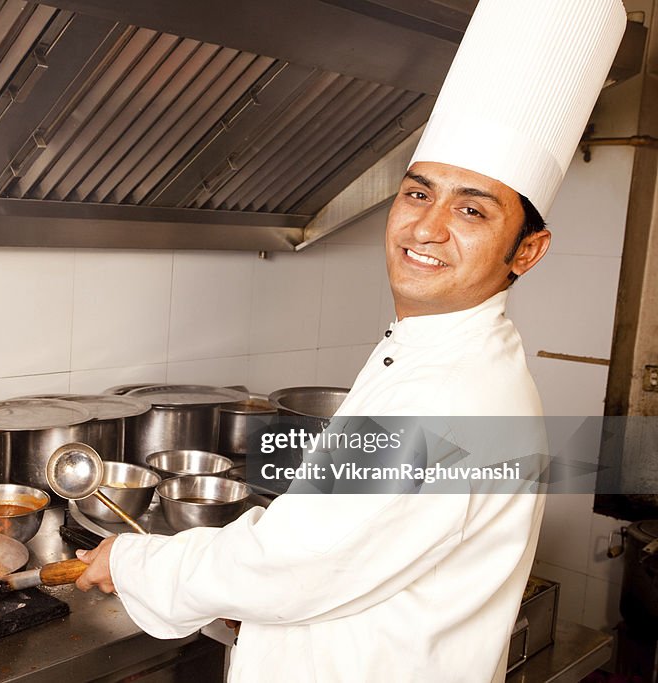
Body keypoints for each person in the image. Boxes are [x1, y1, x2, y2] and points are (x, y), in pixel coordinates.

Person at [73, 1, 626, 681]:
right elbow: (341, 553)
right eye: (419, 194)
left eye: (472, 208)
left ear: (528, 250)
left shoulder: (450, 395)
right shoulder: (437, 352)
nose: (427, 227)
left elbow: (295, 565)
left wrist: (136, 561)